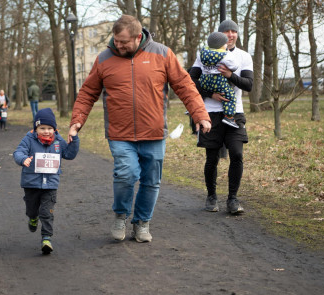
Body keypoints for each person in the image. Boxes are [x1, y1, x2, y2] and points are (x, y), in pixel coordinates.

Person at [68, 15, 211, 243]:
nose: (119, 45)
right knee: (126, 173)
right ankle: (121, 215)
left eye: (124, 42)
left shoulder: (162, 54)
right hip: (119, 133)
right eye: (116, 40)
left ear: (138, 37)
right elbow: (87, 92)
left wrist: (200, 115)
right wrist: (77, 120)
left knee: (151, 180)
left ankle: (142, 223)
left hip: (153, 132)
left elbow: (184, 85)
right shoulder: (104, 59)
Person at [189, 19, 253, 214]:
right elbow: (190, 80)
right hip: (210, 113)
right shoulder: (203, 55)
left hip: (234, 113)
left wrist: (229, 76)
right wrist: (210, 94)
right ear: (220, 35)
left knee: (237, 154)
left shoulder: (243, 56)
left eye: (234, 31)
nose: (230, 34)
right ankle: (211, 196)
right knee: (212, 157)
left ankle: (232, 199)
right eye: (226, 31)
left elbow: (248, 84)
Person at [13, 108, 79, 254]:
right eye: (42, 128)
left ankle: (46, 238)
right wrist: (24, 159)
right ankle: (32, 217)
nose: (46, 131)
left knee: (47, 212)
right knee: (32, 209)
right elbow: (18, 152)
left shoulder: (58, 140)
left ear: (55, 129)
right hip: (31, 183)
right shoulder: (29, 139)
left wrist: (74, 139)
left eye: (50, 128)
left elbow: (69, 154)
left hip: (50, 184)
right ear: (35, 128)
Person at [198, 32, 239, 128]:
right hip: (217, 82)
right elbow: (234, 66)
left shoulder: (203, 52)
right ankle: (229, 117)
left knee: (199, 92)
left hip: (204, 80)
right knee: (229, 96)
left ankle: (193, 108)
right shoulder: (224, 55)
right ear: (222, 45)